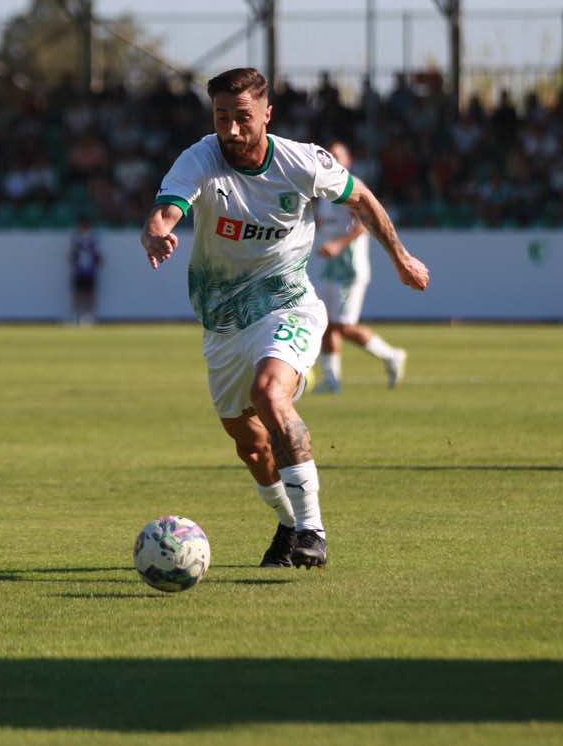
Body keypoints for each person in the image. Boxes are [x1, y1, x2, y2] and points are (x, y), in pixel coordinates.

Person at [141, 67, 430, 570]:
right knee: (252, 447)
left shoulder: (301, 162)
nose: (231, 130)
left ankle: (313, 531)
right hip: (222, 323)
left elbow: (361, 197)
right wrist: (155, 233)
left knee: (270, 395)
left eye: (243, 118)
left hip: (287, 303)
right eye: (222, 117)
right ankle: (289, 522)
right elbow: (166, 212)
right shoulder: (200, 158)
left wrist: (401, 258)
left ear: (267, 115)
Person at [310, 141, 407, 393]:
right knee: (326, 322)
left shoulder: (351, 186)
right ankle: (331, 378)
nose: (332, 158)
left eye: (338, 155)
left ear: (348, 160)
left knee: (344, 325)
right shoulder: (322, 187)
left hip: (349, 268)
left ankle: (390, 355)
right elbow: (325, 221)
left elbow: (364, 223)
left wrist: (339, 244)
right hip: (330, 267)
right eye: (329, 155)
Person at [68, 217, 101, 325]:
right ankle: (76, 315)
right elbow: (72, 255)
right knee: (78, 294)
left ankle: (89, 316)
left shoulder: (93, 239)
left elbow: (97, 255)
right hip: (79, 271)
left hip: (90, 271)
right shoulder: (76, 239)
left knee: (90, 294)